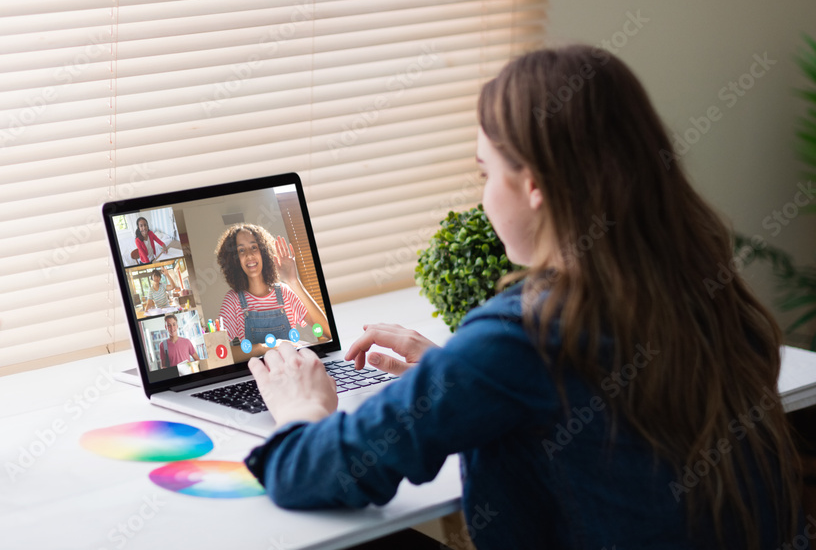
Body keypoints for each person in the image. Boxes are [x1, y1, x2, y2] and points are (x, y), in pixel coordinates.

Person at [242, 45, 802, 550]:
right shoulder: (704, 290)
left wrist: (301, 407)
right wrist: (454, 373)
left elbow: (310, 472)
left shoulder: (526, 334)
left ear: (533, 185)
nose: (482, 194)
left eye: (486, 172)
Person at [215, 224, 330, 346]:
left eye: (254, 247)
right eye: (241, 250)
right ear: (234, 259)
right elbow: (220, 350)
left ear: (264, 252)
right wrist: (262, 348)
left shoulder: (285, 292)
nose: (249, 255)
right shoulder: (233, 300)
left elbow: (327, 332)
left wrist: (293, 282)